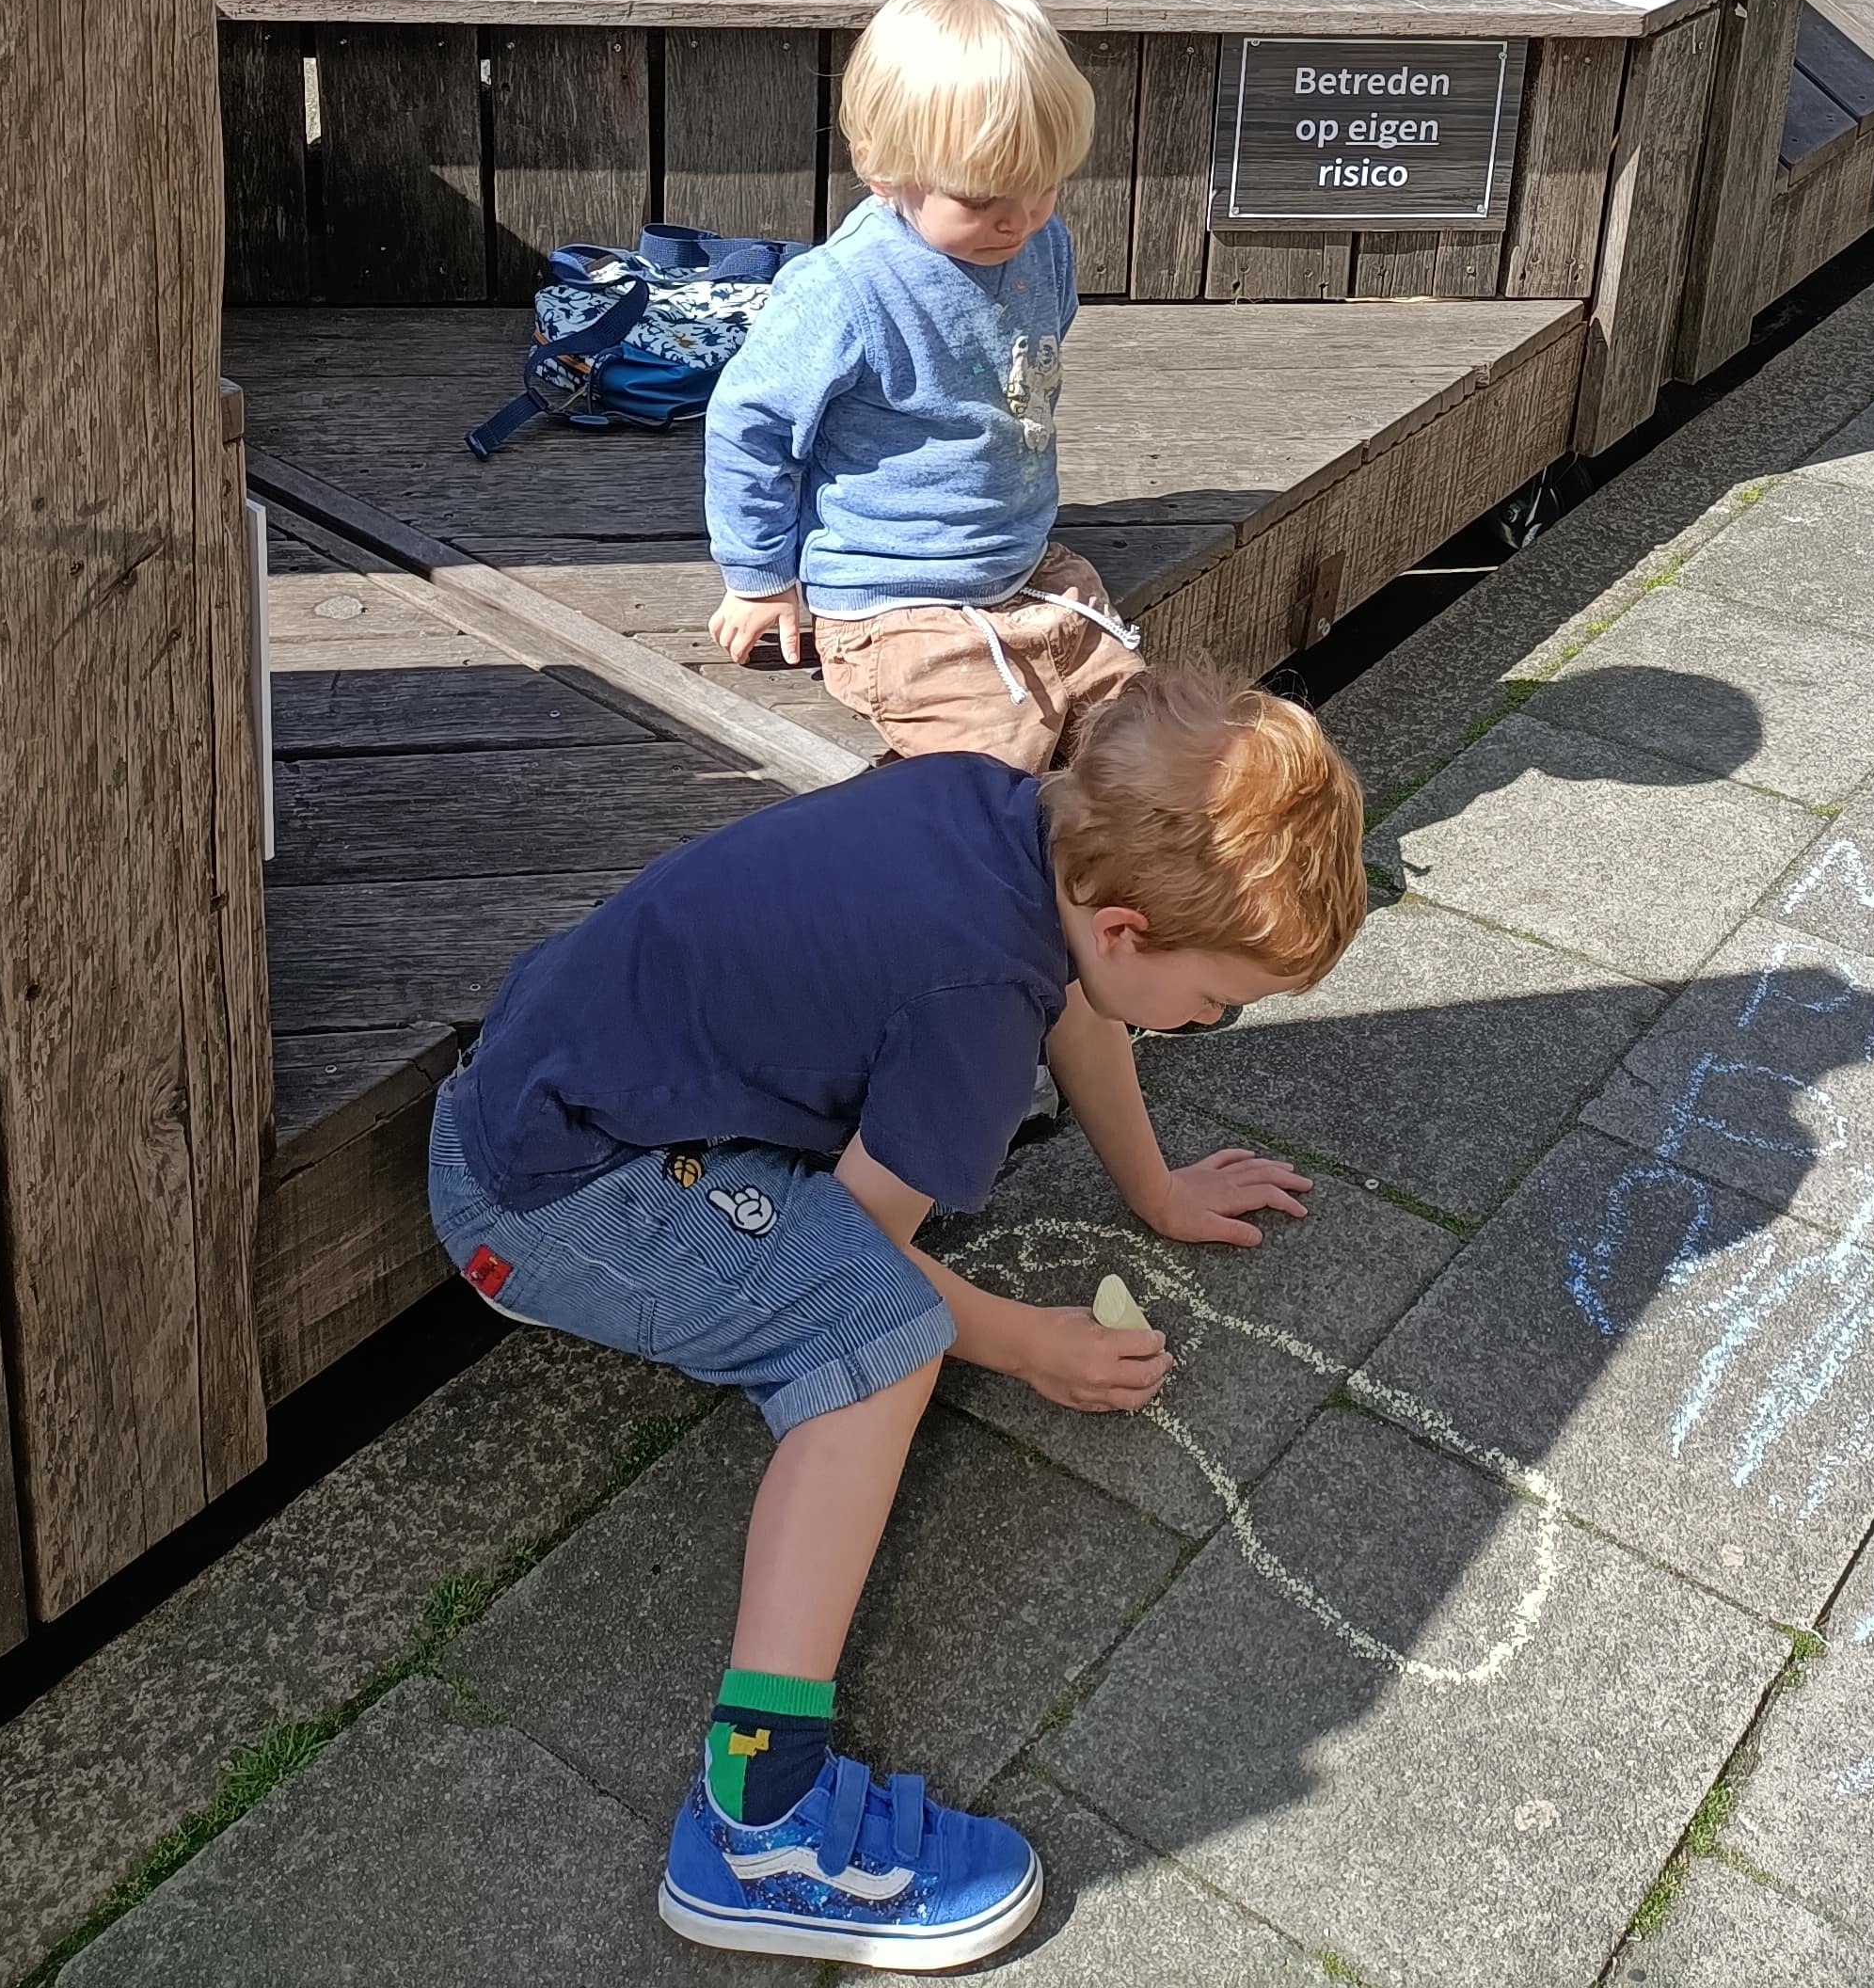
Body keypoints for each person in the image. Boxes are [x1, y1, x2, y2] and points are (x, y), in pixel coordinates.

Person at [426, 668, 1367, 1968]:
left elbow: (1079, 1004)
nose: (1213, 1024)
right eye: (1219, 1002)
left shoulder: (1014, 820)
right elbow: (858, 1266)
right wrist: (1034, 1343)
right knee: (880, 1350)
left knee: (869, 1291)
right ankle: (763, 1826)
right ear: (1131, 931)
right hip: (541, 1199)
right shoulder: (974, 1006)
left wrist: (1152, 1189)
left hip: (567, 1083)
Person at [703, 0, 1140, 769]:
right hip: (894, 596)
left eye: (1043, 185)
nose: (1018, 218)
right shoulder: (846, 289)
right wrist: (759, 576)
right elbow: (749, 427)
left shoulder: (1042, 241)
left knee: (1143, 739)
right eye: (980, 198)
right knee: (990, 775)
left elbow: (1023, 359)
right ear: (881, 169)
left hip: (1026, 562)